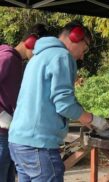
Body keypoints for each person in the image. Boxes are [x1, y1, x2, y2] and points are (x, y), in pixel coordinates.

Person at [8, 21, 109, 181]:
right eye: (85, 49)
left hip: (18, 143)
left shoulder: (37, 56)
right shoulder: (62, 56)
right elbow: (64, 103)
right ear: (76, 37)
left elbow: (56, 97)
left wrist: (81, 114)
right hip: (39, 145)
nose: (82, 55)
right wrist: (92, 119)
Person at [0, 23, 49, 182]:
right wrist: (1, 114)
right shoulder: (7, 58)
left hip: (9, 133)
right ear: (30, 41)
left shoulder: (18, 62)